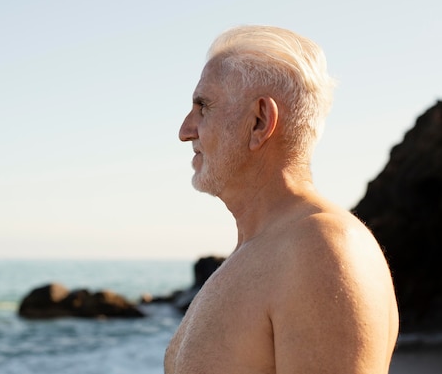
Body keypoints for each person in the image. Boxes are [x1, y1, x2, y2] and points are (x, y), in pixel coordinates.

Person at [165, 25, 399, 374]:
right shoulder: (264, 248)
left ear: (259, 121)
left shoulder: (321, 248)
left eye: (203, 107)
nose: (185, 130)